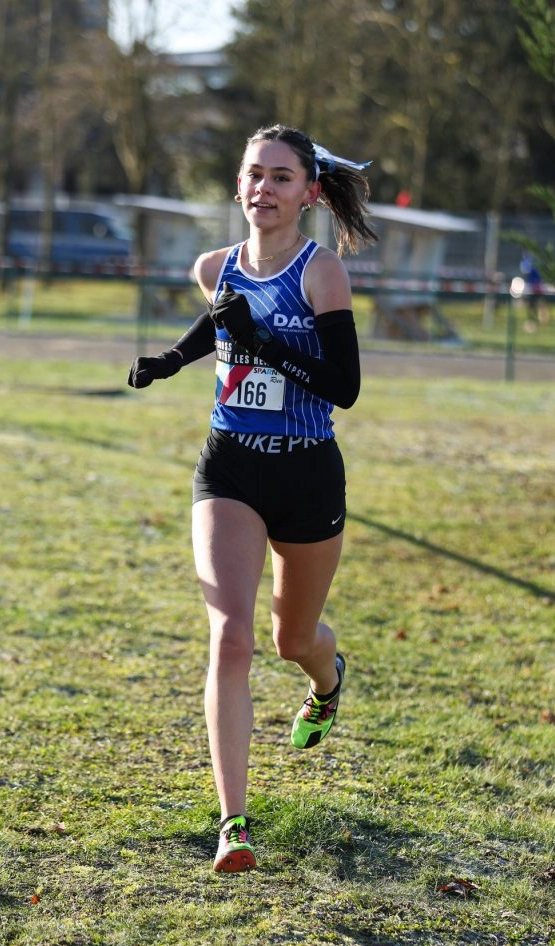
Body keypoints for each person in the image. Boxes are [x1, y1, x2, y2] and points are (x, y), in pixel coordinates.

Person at [128, 124, 377, 873]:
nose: (262, 188)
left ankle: (326, 683)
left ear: (308, 191)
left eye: (279, 177)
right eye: (252, 175)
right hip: (229, 468)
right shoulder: (216, 265)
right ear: (238, 187)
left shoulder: (321, 271)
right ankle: (232, 823)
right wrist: (173, 359)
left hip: (306, 474)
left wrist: (264, 345)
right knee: (230, 635)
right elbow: (224, 321)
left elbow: (344, 388)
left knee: (290, 640)